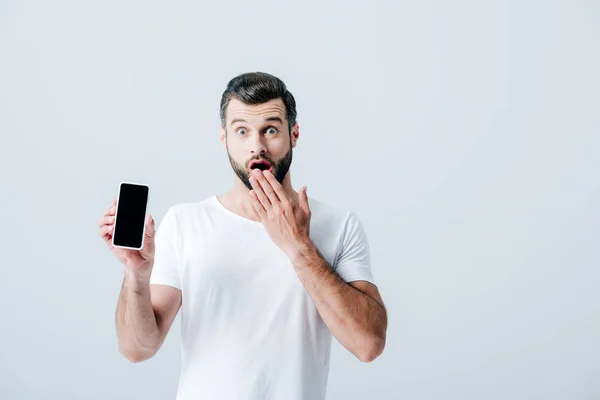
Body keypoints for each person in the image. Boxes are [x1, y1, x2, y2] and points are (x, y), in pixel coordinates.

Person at [97, 72, 388, 400]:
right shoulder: (185, 222)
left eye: (271, 129)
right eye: (242, 131)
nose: (257, 146)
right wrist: (136, 275)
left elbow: (369, 344)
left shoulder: (339, 225)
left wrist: (299, 247)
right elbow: (137, 348)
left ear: (294, 133)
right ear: (224, 139)